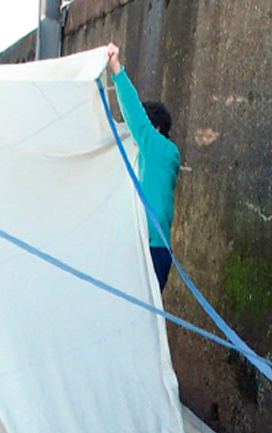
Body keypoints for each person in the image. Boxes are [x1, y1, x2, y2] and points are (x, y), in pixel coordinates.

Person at [106, 42, 181, 291]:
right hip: (153, 245)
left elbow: (135, 116)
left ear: (156, 128)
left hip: (150, 247)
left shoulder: (159, 149)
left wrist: (116, 68)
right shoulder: (158, 158)